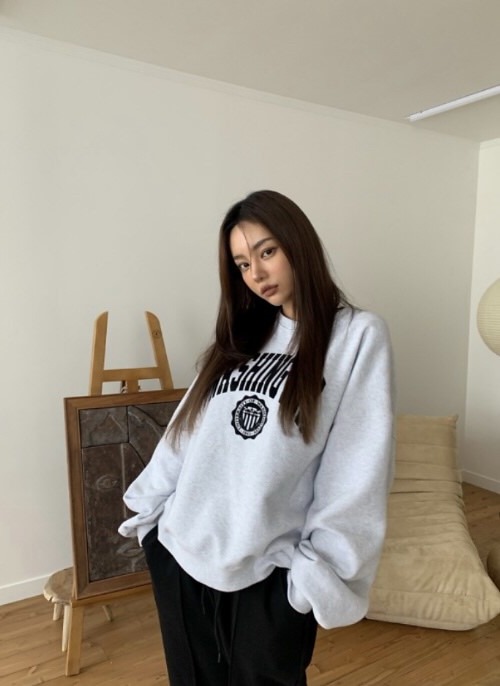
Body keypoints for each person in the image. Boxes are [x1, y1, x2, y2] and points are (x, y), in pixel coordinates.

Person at [118, 189, 395, 686]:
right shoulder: (241, 337)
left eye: (267, 252)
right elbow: (186, 434)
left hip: (270, 575)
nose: (257, 274)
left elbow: (357, 470)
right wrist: (149, 523)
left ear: (298, 244)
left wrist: (315, 575)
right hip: (182, 551)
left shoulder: (356, 336)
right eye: (243, 264)